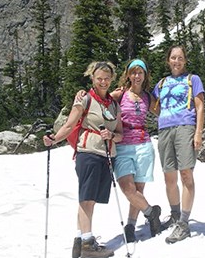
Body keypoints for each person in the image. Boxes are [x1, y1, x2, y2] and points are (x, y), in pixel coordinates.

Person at [43, 61, 123, 258]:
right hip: (88, 152)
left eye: (106, 78)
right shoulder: (84, 99)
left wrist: (111, 136)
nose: (103, 82)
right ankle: (87, 243)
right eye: (99, 79)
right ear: (92, 79)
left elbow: (120, 134)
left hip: (106, 155)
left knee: (90, 199)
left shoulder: (113, 105)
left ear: (111, 79)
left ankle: (80, 241)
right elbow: (70, 125)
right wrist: (54, 138)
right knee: (86, 198)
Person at [152, 45, 205, 244]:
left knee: (186, 174)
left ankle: (183, 223)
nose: (176, 61)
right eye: (173, 58)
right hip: (165, 130)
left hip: (185, 127)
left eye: (180, 58)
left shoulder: (193, 80)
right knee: (169, 176)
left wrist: (198, 132)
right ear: (168, 60)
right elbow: (152, 103)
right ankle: (174, 215)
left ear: (185, 61)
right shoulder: (162, 83)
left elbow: (200, 106)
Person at [109, 59, 161, 242]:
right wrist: (84, 96)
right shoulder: (120, 94)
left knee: (138, 189)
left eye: (140, 73)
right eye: (133, 72)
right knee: (128, 189)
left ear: (145, 75)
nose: (137, 76)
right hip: (122, 145)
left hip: (144, 145)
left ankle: (131, 226)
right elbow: (101, 100)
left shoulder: (148, 97)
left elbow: (164, 111)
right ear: (128, 75)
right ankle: (151, 213)